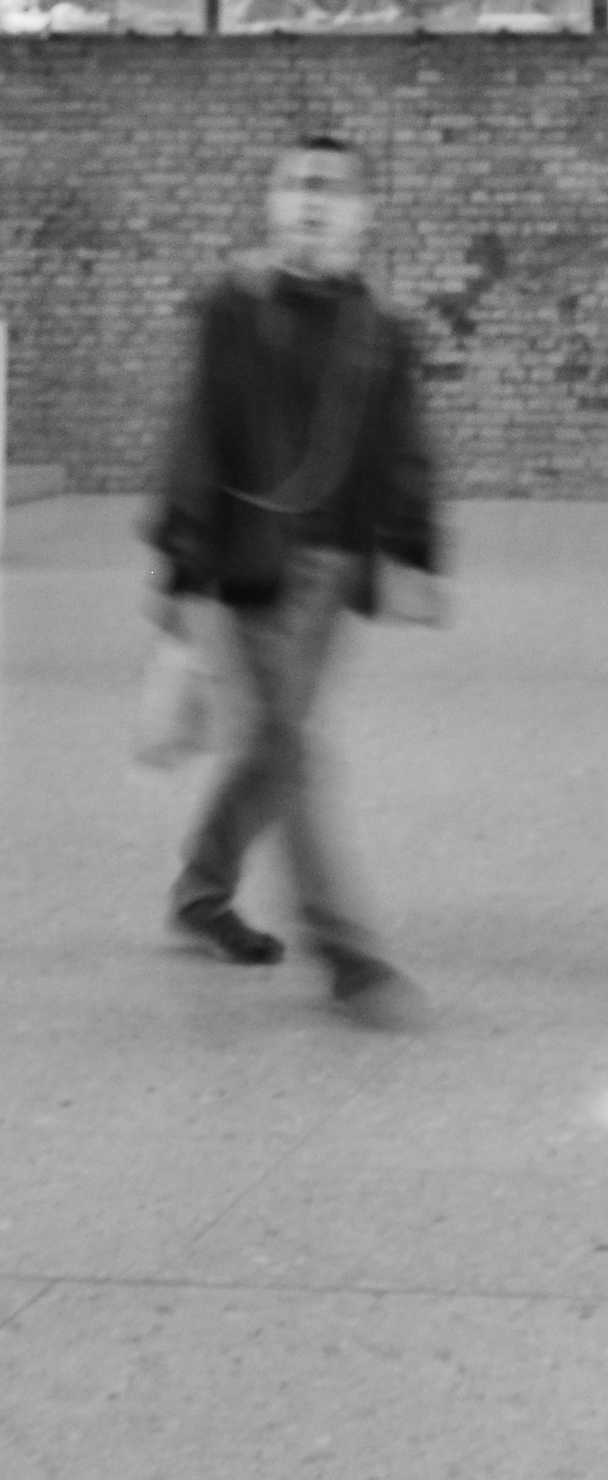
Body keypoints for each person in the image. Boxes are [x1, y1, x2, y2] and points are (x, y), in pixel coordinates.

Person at [143, 133, 442, 1021]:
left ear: (362, 214)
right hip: (243, 569)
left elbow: (401, 445)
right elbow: (197, 437)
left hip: (329, 575)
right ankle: (348, 955)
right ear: (274, 204)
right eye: (297, 184)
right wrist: (181, 572)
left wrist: (416, 548)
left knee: (272, 752)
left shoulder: (381, 331)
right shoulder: (232, 310)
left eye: (333, 188)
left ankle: (201, 894)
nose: (313, 200)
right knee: (291, 751)